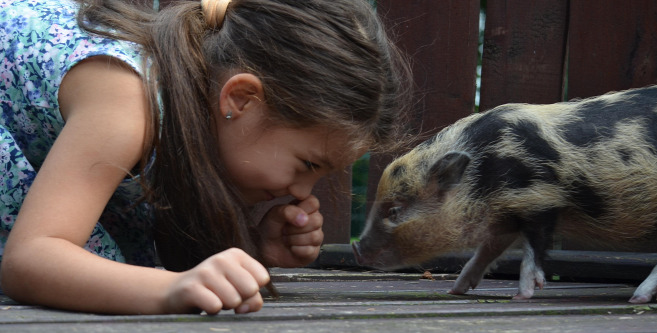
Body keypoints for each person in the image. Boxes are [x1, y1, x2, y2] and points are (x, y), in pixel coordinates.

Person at [0, 0, 412, 315]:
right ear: (241, 99)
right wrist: (171, 290)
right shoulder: (127, 97)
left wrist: (254, 248)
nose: (303, 190)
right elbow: (30, 259)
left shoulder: (182, 105)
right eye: (308, 164)